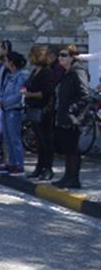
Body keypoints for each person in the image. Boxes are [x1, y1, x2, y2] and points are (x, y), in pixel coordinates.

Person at [52, 45, 92, 189]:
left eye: (64, 55)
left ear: (72, 57)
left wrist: (71, 110)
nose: (60, 58)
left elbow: (85, 95)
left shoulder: (77, 72)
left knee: (73, 149)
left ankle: (73, 178)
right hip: (65, 115)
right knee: (68, 149)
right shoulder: (67, 72)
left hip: (73, 118)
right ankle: (68, 176)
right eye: (59, 55)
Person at [0, 51, 29, 176]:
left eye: (7, 61)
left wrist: (2, 101)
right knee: (7, 137)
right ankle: (12, 162)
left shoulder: (21, 76)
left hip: (14, 109)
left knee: (15, 138)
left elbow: (18, 94)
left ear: (12, 62)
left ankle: (19, 164)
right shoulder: (9, 76)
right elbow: (3, 91)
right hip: (6, 109)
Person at [24, 45, 57, 180]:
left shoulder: (46, 72)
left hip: (43, 110)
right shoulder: (34, 71)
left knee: (46, 141)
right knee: (39, 140)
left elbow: (46, 93)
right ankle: (40, 167)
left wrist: (30, 94)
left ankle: (48, 168)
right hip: (33, 108)